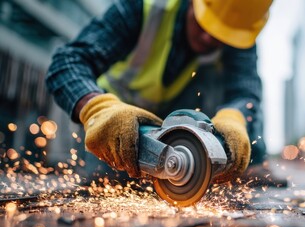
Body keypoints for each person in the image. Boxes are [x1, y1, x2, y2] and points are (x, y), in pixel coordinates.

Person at [45, 0, 278, 185]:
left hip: (189, 131)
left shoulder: (239, 35)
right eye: (204, 24)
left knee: (242, 106)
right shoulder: (144, 7)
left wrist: (233, 118)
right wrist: (98, 109)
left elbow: (246, 94)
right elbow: (66, 63)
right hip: (119, 125)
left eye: (220, 35)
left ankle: (254, 164)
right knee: (105, 185)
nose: (208, 37)